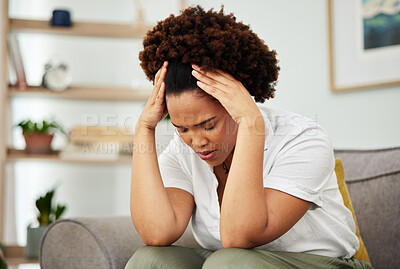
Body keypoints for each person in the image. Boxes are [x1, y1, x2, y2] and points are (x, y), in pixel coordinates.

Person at [125, 5, 373, 269]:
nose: (196, 142)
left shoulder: (303, 138)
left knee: (228, 262)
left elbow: (239, 236)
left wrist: (251, 124)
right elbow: (157, 232)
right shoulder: (180, 152)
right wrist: (144, 129)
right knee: (150, 259)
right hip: (234, 262)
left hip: (326, 263)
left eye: (208, 125)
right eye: (182, 129)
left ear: (235, 102)